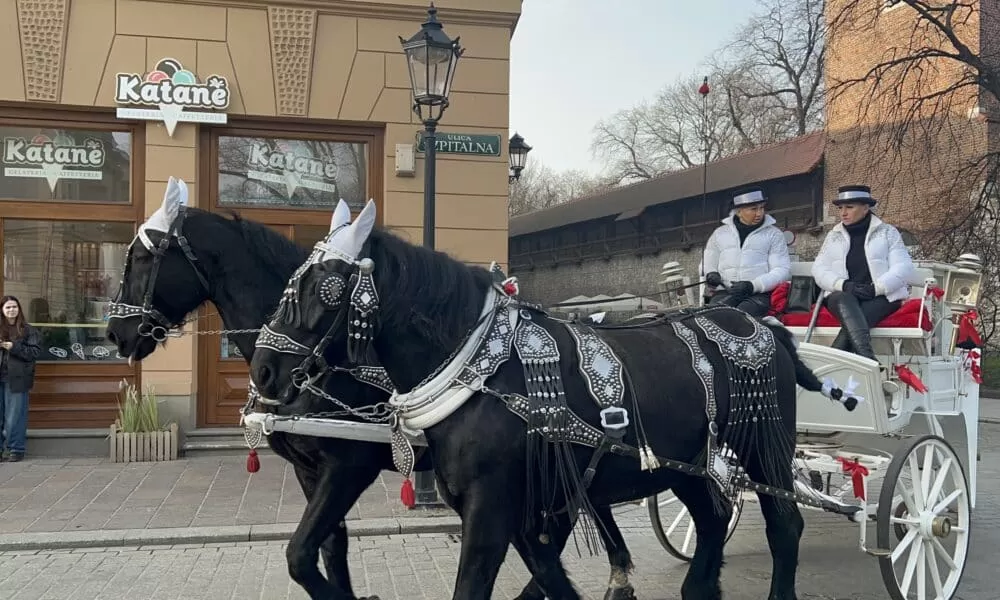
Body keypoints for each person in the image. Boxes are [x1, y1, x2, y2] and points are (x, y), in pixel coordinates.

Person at [812, 185, 915, 361]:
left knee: (853, 324)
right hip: (842, 294)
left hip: (880, 296)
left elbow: (903, 267)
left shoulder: (888, 233)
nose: (843, 213)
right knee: (845, 299)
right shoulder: (833, 236)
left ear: (866, 208)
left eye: (849, 207)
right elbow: (819, 269)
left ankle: (837, 362)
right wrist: (842, 284)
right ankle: (867, 358)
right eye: (840, 208)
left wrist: (877, 289)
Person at [702, 188, 791, 317]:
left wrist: (753, 285)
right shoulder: (720, 233)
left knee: (740, 319)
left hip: (758, 295)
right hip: (726, 292)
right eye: (753, 209)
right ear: (739, 211)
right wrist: (710, 274)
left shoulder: (774, 234)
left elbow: (782, 270)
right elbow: (708, 261)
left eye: (761, 208)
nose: (759, 213)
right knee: (712, 317)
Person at [0, 295, 41, 462]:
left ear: (19, 309)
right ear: (2, 310)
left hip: (17, 379)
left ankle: (15, 449)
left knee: (15, 417)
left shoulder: (28, 330)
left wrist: (14, 347)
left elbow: (34, 352)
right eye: (8, 307)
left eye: (14, 307)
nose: (11, 310)